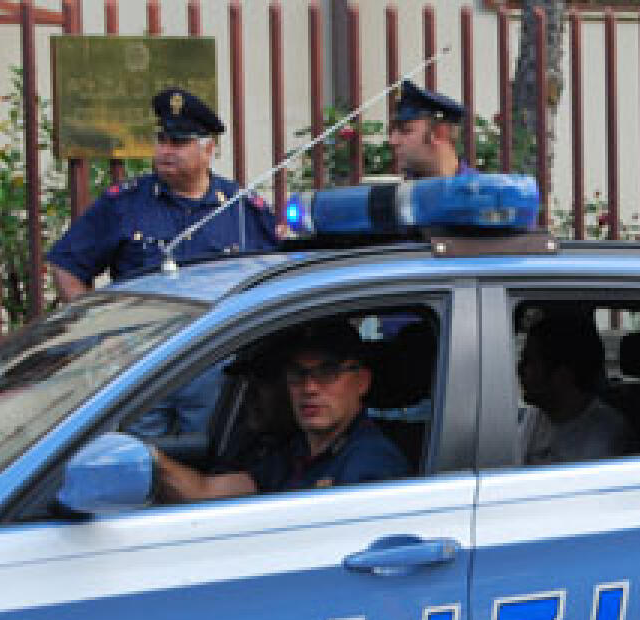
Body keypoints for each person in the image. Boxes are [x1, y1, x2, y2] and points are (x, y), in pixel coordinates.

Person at [47, 87, 278, 302]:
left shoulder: (241, 208)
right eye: (161, 140)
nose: (165, 151)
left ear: (207, 150)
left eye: (178, 143)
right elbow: (67, 267)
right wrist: (98, 325)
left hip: (217, 332)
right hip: (149, 331)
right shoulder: (125, 203)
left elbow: (278, 278)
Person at [150, 319, 409, 502]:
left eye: (327, 372)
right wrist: (147, 457)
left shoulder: (371, 464)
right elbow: (205, 492)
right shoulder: (295, 451)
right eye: (297, 374)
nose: (309, 387)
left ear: (362, 381)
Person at [517, 314, 629, 465]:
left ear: (562, 376)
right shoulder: (538, 414)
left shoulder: (604, 440)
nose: (520, 369)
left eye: (529, 362)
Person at [387, 80, 478, 179]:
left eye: (405, 130)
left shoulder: (482, 188)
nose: (392, 141)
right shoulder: (399, 189)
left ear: (439, 133)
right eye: (392, 131)